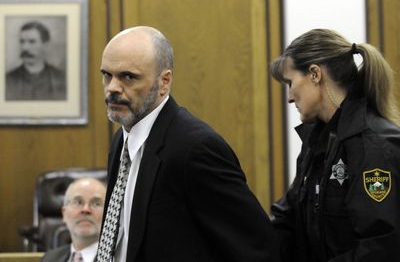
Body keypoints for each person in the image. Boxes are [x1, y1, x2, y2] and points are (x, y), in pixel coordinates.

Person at [96, 26, 276, 262]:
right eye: (107, 75)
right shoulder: (121, 139)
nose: (112, 88)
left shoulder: (196, 148)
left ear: (164, 82)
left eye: (128, 77)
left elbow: (257, 247)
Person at [270, 28, 400, 262]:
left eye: (291, 83)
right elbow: (288, 220)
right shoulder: (315, 143)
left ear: (314, 74)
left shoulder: (373, 145)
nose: (289, 97)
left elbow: (381, 248)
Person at [40, 178, 107, 262]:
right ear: (64, 213)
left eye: (96, 203)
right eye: (78, 202)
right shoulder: (49, 259)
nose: (86, 209)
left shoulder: (119, 258)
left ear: (108, 214)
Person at [6, 21, 66, 101]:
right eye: (22, 42)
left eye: (32, 42)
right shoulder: (7, 80)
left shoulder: (61, 78)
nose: (25, 48)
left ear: (45, 45)